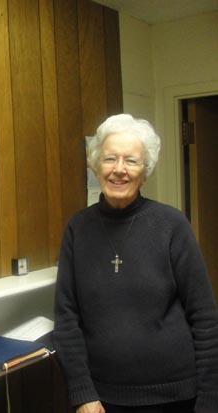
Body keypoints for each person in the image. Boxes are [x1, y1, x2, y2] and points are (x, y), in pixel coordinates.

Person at [53, 114, 218, 413]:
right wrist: (82, 393)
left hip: (176, 398)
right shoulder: (77, 229)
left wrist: (209, 400)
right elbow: (66, 318)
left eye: (131, 161)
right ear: (95, 165)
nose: (119, 170)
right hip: (101, 400)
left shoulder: (171, 225)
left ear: (145, 172)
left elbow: (205, 317)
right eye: (110, 158)